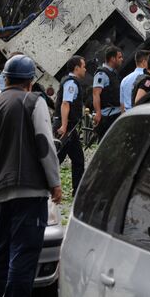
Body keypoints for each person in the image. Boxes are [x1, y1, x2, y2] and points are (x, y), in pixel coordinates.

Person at [0, 54, 62, 297]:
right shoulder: (34, 102)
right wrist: (55, 182)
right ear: (30, 82)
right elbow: (45, 145)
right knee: (22, 259)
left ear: (7, 78)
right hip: (31, 194)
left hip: (1, 196)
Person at [54, 55, 86, 195]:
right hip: (66, 128)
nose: (85, 69)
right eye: (83, 66)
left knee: (77, 159)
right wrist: (65, 126)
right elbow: (65, 104)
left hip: (69, 128)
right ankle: (44, 185)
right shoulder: (71, 83)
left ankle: (77, 190)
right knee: (57, 158)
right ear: (77, 67)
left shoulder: (72, 81)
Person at [92, 45, 124, 140]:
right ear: (112, 59)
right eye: (119, 57)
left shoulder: (113, 73)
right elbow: (96, 93)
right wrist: (98, 113)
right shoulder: (101, 74)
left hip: (116, 113)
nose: (122, 59)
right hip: (108, 116)